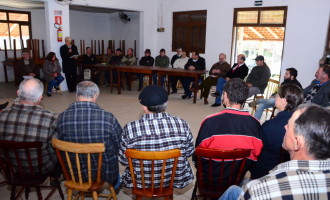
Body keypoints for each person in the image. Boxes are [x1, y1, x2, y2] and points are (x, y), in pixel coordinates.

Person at [219, 104, 330, 200]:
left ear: (297, 142)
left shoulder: (259, 190)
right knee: (233, 190)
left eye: (289, 126)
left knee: (234, 190)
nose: (285, 127)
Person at [118, 85, 194, 189]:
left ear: (144, 107)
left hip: (141, 181)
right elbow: (189, 152)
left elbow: (123, 160)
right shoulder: (182, 124)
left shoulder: (130, 128)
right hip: (173, 178)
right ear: (166, 104)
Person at [57, 81, 122, 187]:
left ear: (76, 96)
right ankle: (115, 184)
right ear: (95, 96)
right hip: (104, 174)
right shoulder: (108, 118)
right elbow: (120, 144)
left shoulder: (61, 118)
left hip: (74, 173)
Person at [196, 78, 262, 175]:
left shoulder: (209, 121)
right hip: (238, 176)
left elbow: (198, 152)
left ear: (225, 95)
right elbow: (256, 154)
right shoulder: (255, 124)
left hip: (210, 177)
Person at [0, 78, 57, 175]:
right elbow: (58, 144)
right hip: (41, 168)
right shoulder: (50, 118)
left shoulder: (2, 115)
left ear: (18, 93)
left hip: (12, 168)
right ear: (40, 98)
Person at [250, 84, 304, 179]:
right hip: (289, 171)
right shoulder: (303, 124)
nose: (275, 98)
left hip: (266, 171)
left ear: (284, 101)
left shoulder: (269, 126)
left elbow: (257, 149)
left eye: (277, 96)